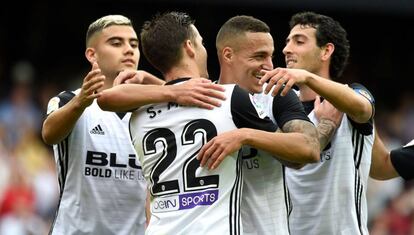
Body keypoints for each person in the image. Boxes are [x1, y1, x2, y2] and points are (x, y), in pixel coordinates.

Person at [106, 11, 320, 234]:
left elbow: (106, 98)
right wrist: (245, 134)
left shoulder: (138, 113)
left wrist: (160, 86)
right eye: (201, 43)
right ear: (190, 47)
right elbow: (308, 149)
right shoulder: (229, 99)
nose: (269, 65)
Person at [41, 14, 226, 235]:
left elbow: (187, 96)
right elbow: (49, 134)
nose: (128, 50)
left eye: (134, 44)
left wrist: (155, 83)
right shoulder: (69, 102)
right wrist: (80, 102)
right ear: (92, 54)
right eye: (116, 43)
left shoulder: (149, 108)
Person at [196, 15, 337, 235]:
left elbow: (308, 149)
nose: (269, 66)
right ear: (228, 55)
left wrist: (244, 135)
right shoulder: (203, 99)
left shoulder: (276, 95)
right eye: (259, 56)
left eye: (270, 56)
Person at [258, 11, 376, 234]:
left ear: (326, 51)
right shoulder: (276, 105)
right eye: (287, 42)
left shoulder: (349, 98)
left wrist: (307, 77)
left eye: (299, 41)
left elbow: (363, 108)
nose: (286, 49)